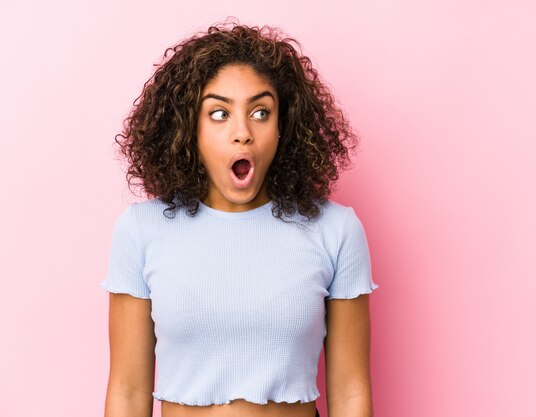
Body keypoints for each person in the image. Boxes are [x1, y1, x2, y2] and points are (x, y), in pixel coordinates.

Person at [99, 19, 379, 417]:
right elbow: (127, 392)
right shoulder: (142, 230)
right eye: (218, 114)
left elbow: (351, 392)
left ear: (285, 127)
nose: (242, 133)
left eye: (261, 112)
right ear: (188, 128)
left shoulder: (335, 230)